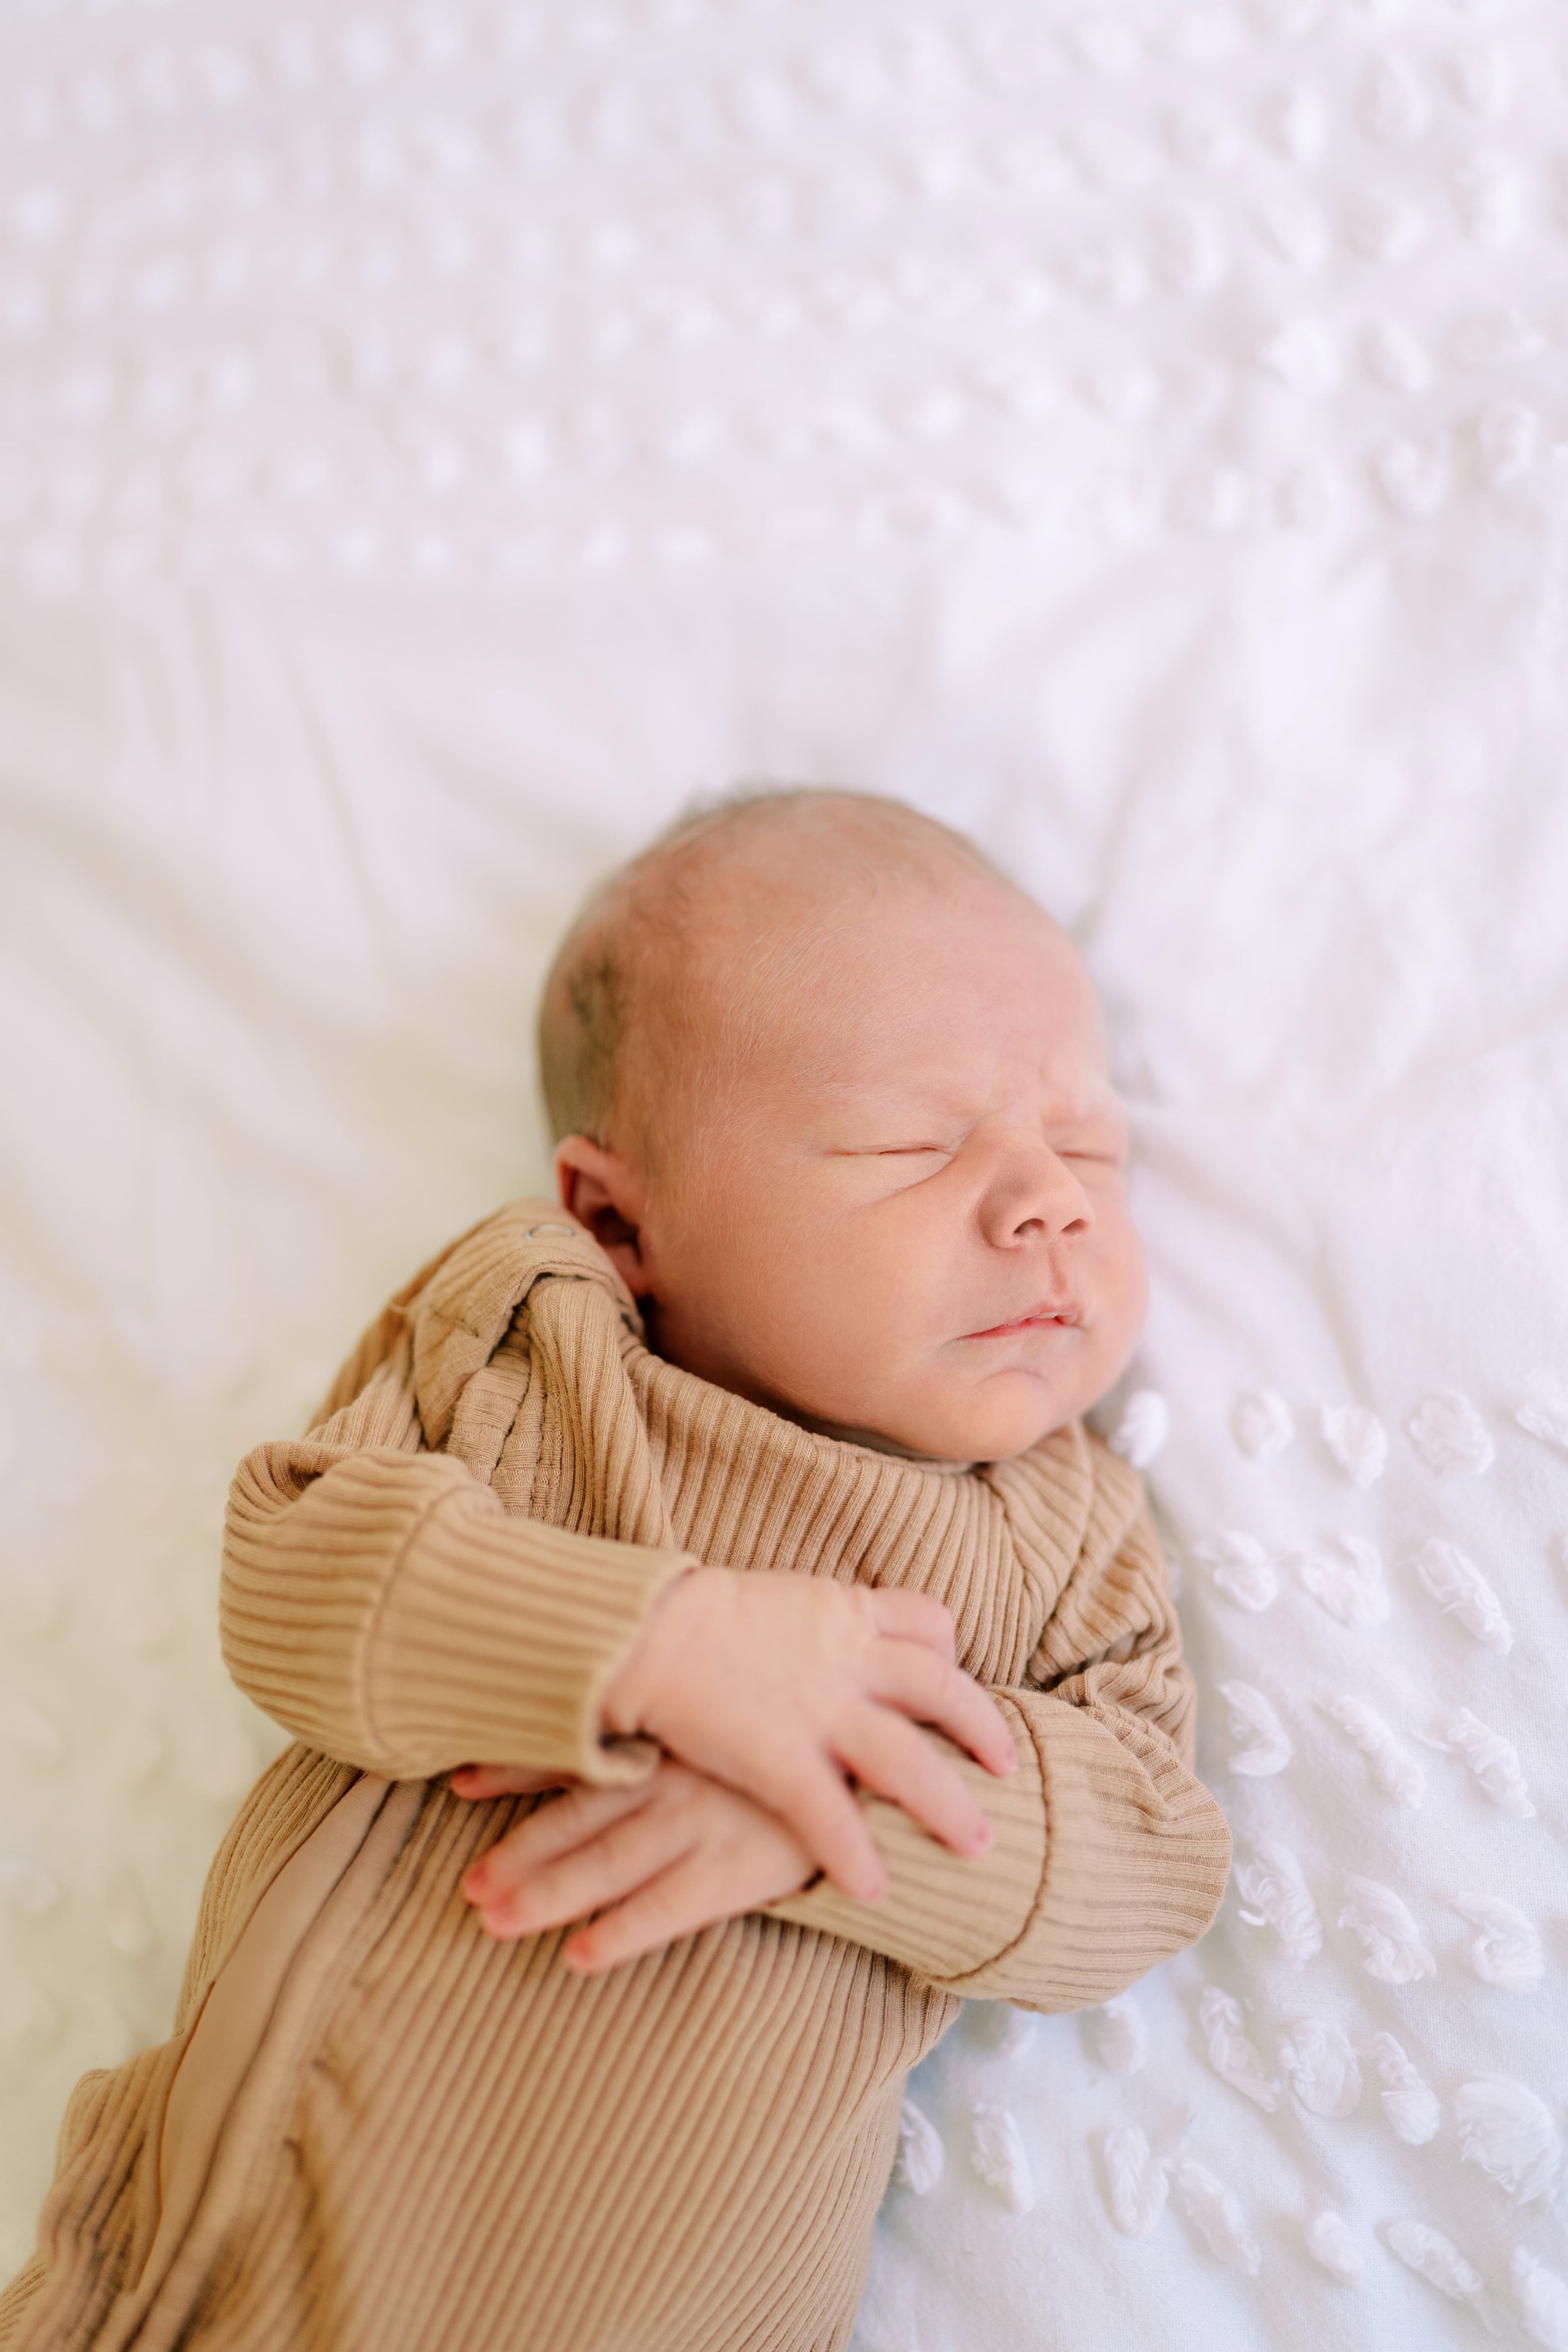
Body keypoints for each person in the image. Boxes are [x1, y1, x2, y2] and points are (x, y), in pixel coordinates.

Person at [1, 788, 1231, 2352]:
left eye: (1086, 1144)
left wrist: (830, 1802)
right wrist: (660, 1645)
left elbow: (1150, 1857)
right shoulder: (547, 1347)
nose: (1045, 1196)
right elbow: (298, 1565)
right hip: (201, 2287)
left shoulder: (1061, 1527)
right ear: (617, 1219)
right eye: (906, 1141)